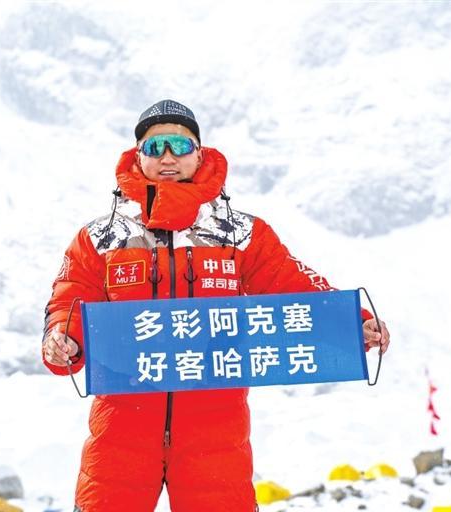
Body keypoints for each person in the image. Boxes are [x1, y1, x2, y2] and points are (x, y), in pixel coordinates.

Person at [42, 99, 390, 512]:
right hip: (121, 421)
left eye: (179, 145)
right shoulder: (101, 237)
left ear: (199, 153)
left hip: (216, 424)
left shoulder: (241, 233)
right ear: (138, 156)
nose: (167, 157)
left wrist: (353, 325)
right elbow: (70, 297)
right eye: (154, 147)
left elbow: (294, 289)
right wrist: (63, 338)